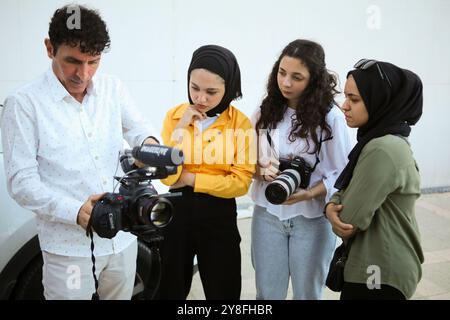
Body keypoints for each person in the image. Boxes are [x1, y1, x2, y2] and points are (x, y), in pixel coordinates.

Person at [0, 5, 159, 300]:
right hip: (68, 249)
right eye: (72, 61)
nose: (83, 74)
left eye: (93, 62)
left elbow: (139, 129)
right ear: (50, 48)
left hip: (122, 240)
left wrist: (150, 147)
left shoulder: (113, 88)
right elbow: (21, 182)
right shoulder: (23, 104)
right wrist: (73, 211)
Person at [250, 39, 352, 300]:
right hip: (268, 214)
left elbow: (340, 174)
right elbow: (244, 154)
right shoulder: (267, 107)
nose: (285, 82)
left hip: (312, 219)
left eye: (297, 77)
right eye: (281, 73)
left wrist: (307, 193)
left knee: (307, 295)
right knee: (267, 295)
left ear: (314, 79)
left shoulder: (331, 117)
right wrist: (259, 170)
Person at [157, 45, 255, 299]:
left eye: (211, 92)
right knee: (170, 286)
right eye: (194, 88)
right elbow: (167, 175)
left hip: (219, 214)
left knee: (224, 289)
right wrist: (181, 126)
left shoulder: (240, 124)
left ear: (229, 88)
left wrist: (190, 178)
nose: (200, 99)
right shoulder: (174, 116)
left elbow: (240, 183)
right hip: (176, 210)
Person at [325, 59, 424, 300]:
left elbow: (348, 220)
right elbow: (346, 189)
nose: (344, 106)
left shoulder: (382, 148)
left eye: (354, 99)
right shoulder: (382, 140)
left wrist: (333, 207)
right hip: (381, 268)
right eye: (346, 96)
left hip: (378, 274)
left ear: (381, 101)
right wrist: (331, 206)